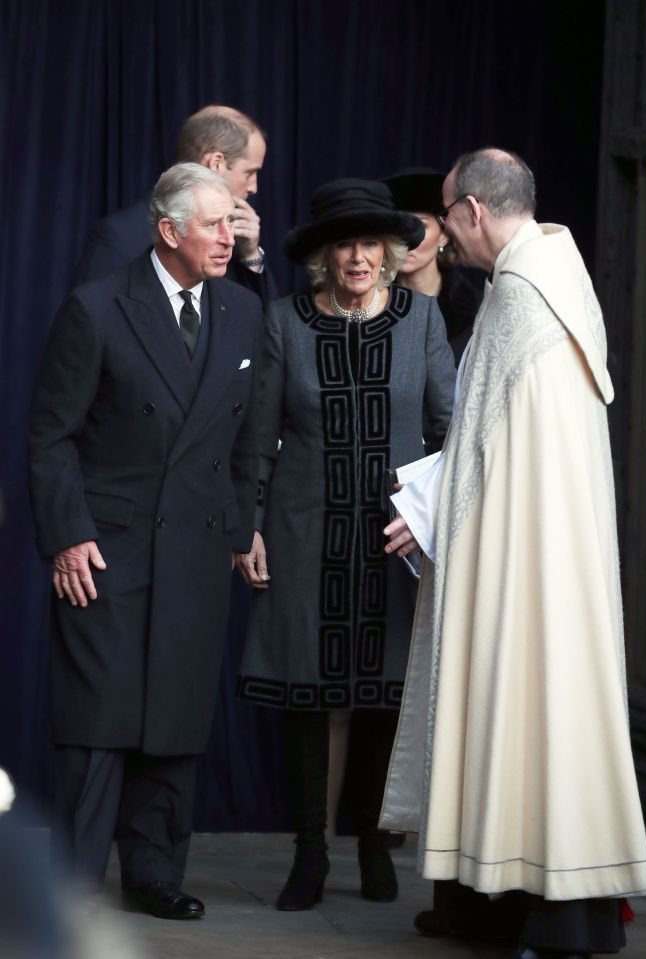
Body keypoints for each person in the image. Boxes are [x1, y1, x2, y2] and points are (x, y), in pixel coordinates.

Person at [381, 148, 646, 959]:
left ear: (470, 211)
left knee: (533, 708)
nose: (447, 237)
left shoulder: (525, 299)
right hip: (533, 542)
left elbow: (499, 448)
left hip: (527, 557)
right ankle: (489, 903)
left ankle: (550, 916)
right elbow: (488, 438)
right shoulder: (548, 272)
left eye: (446, 216)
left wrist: (438, 521)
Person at [28, 162, 261, 919]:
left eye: (233, 222)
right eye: (215, 224)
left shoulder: (242, 312)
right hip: (106, 549)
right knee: (98, 718)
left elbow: (249, 438)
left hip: (196, 548)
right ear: (168, 232)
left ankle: (156, 875)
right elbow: (50, 436)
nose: (232, 235)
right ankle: (72, 883)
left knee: (175, 717)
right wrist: (67, 537)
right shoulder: (96, 309)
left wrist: (242, 523)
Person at [235, 179, 456, 910]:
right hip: (302, 536)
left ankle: (372, 842)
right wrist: (250, 524)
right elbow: (257, 437)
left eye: (368, 243)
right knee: (308, 697)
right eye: (343, 245)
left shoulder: (421, 319)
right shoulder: (283, 322)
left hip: (393, 543)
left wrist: (432, 518)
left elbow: (450, 428)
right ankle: (308, 851)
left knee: (383, 699)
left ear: (390, 252)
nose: (357, 257)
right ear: (323, 256)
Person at [72, 105, 276, 305]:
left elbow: (262, 331)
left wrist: (251, 256)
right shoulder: (119, 238)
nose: (253, 188)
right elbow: (91, 325)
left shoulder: (236, 242)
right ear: (216, 164)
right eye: (249, 172)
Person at [383, 166, 481, 363]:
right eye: (396, 227)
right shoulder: (366, 304)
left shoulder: (477, 309)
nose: (406, 240)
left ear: (444, 235)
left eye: (419, 226)